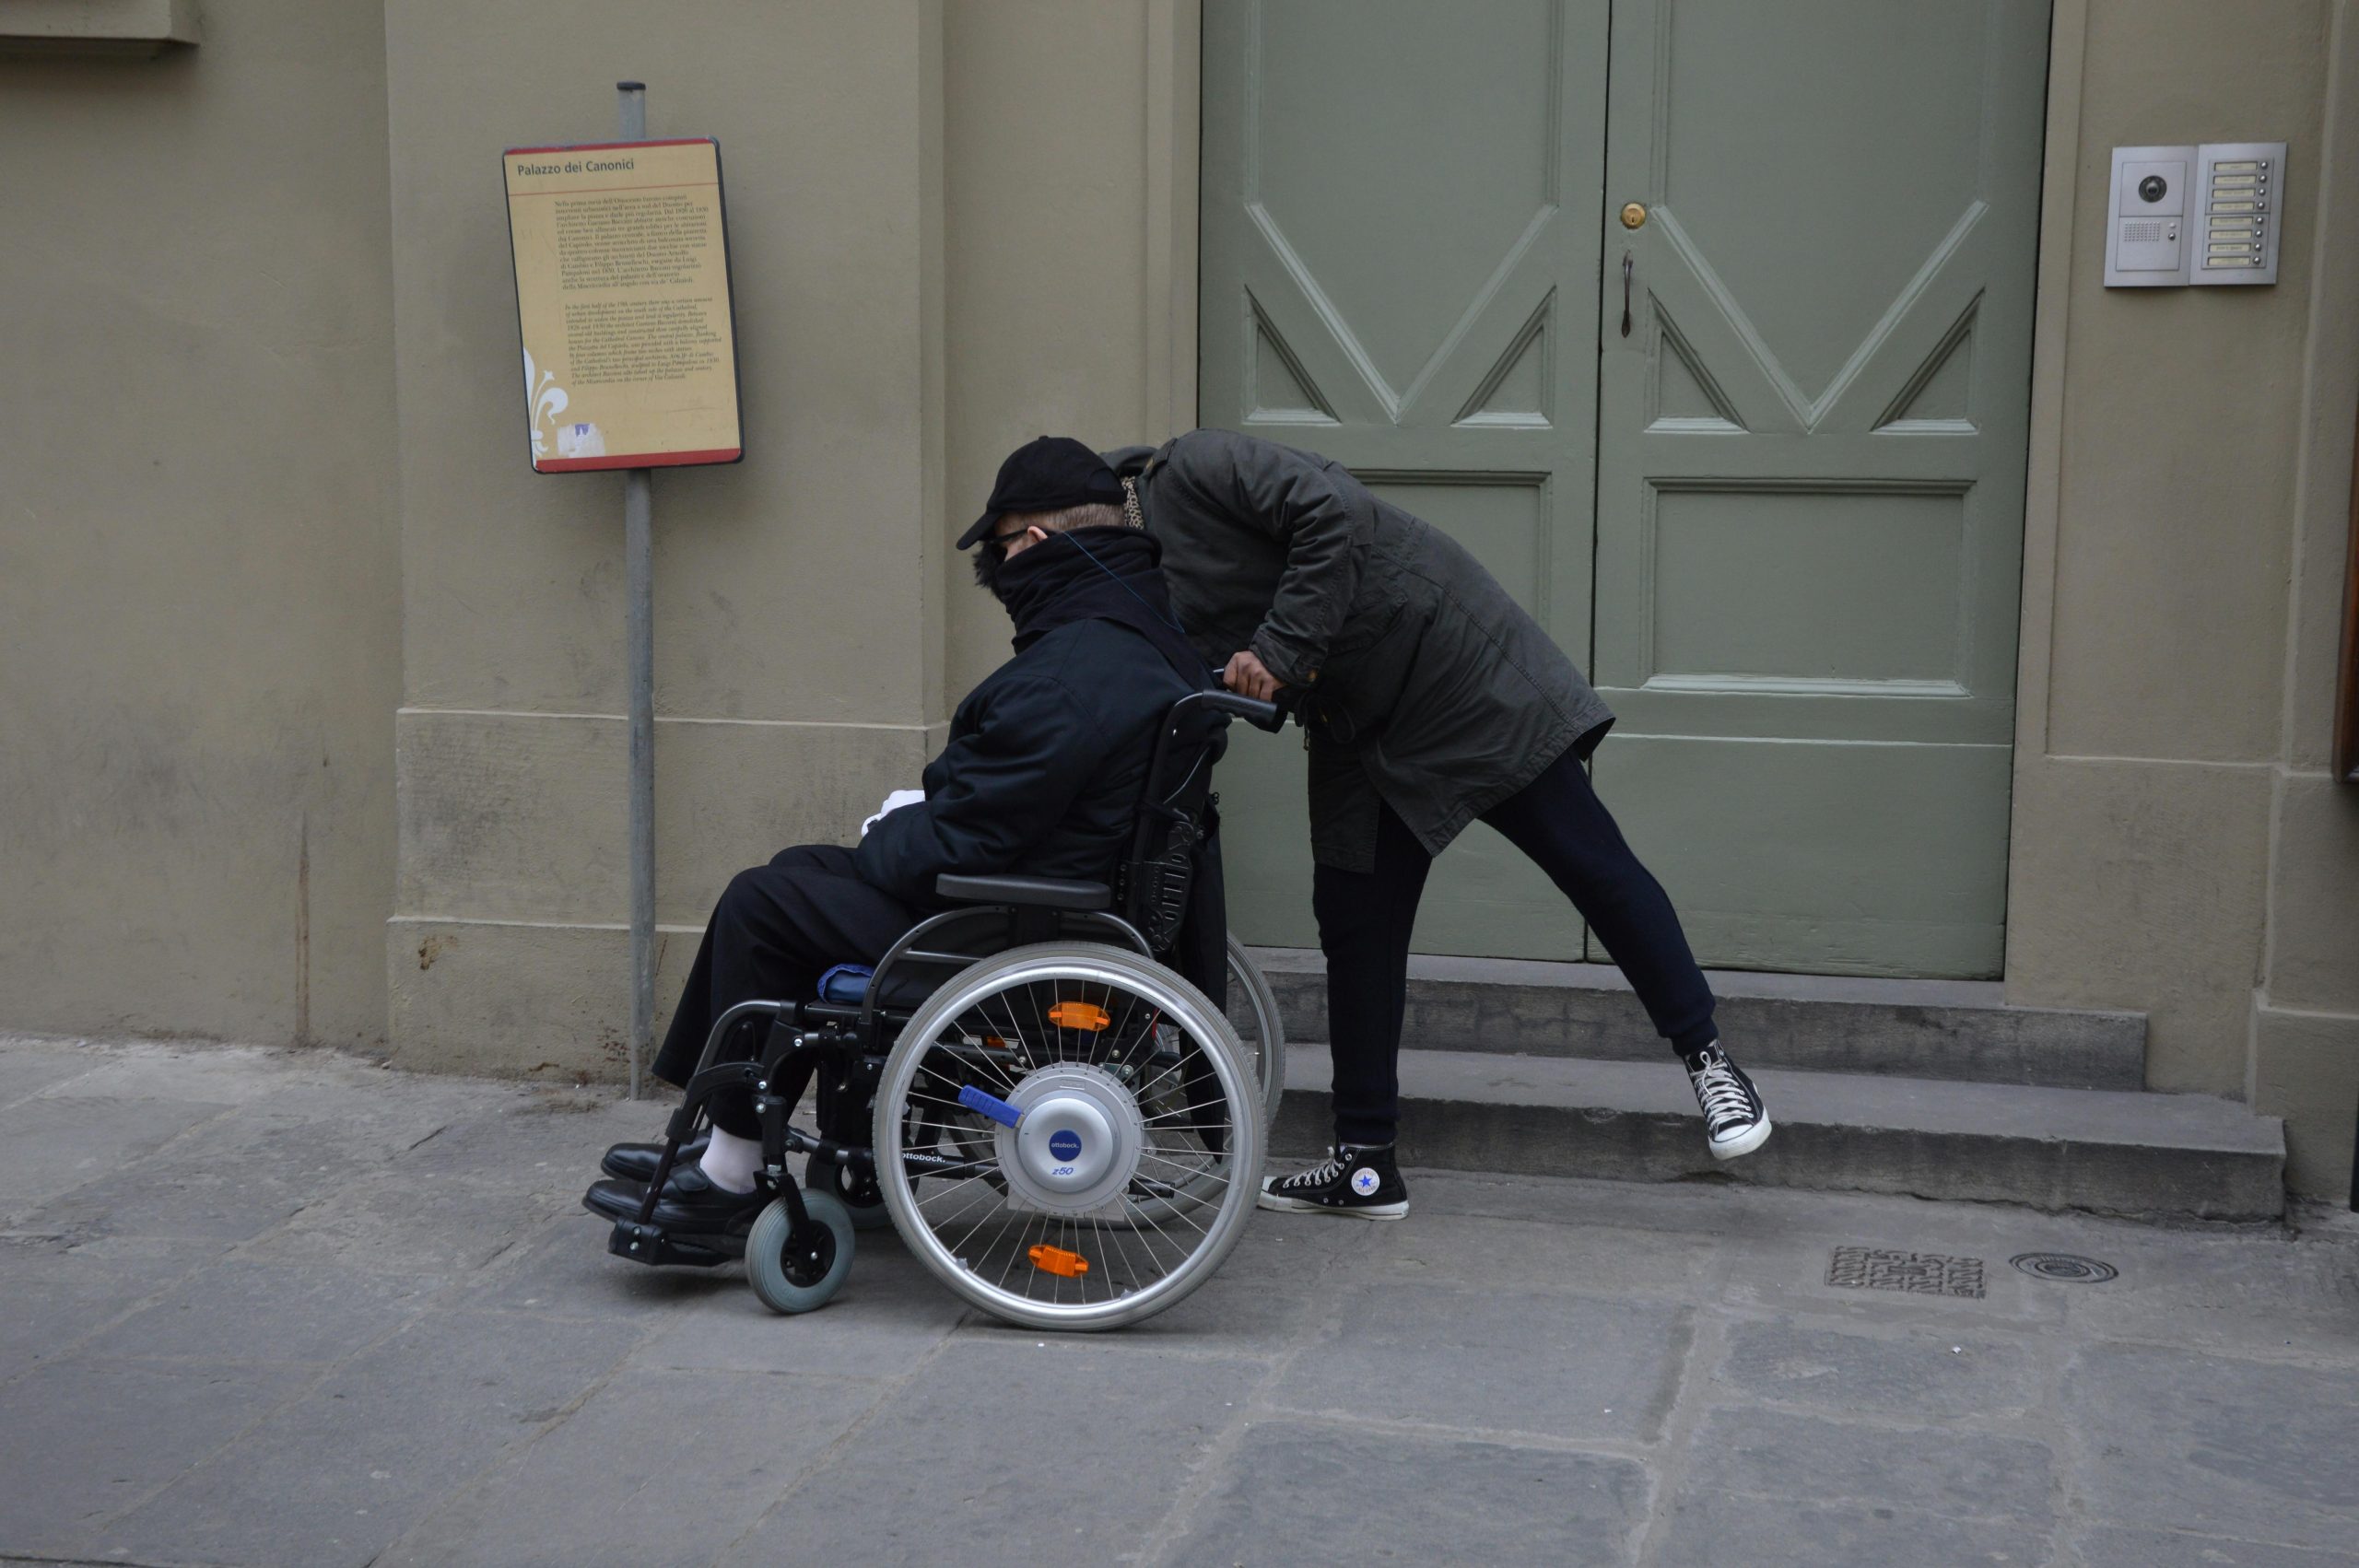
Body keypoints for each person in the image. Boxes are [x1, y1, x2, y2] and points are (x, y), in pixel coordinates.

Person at [1062, 427, 1773, 1221]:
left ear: (1066, 520)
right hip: (1353, 721)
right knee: (1357, 921)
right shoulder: (1139, 577)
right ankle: (1364, 1165)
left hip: (1455, 674)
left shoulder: (1193, 467)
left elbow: (1334, 511)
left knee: (1591, 865)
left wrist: (1278, 645)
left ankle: (1711, 1062)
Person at [583, 437, 1214, 1248]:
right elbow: (1005, 803)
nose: (999, 569)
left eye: (1004, 545)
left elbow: (969, 836)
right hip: (1053, 894)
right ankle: (731, 1134)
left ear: (1038, 544)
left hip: (1012, 923)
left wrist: (890, 828)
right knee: (796, 873)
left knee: (762, 902)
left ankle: (731, 1174)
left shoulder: (1072, 671)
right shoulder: (1136, 630)